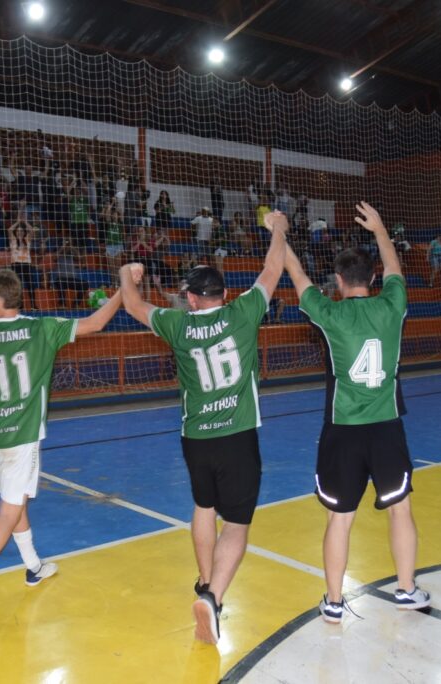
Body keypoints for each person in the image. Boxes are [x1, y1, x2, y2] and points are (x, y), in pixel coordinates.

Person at [117, 210, 289, 645]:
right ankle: (213, 597)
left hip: (196, 438)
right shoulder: (245, 312)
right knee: (237, 524)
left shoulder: (177, 325)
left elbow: (134, 305)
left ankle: (203, 579)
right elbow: (273, 268)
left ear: (191, 300)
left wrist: (127, 273)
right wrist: (279, 229)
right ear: (225, 294)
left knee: (203, 507)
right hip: (238, 435)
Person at [0, 269, 129, 621]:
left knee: (17, 503)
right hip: (22, 438)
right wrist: (124, 289)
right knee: (8, 514)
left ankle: (33, 567)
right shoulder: (43, 328)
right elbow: (96, 323)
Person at [283, 201, 430, 625]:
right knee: (401, 509)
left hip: (342, 430)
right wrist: (382, 230)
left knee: (339, 518)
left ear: (339, 281)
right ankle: (406, 590)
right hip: (386, 427)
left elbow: (298, 277)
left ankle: (333, 602)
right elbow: (396, 270)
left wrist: (282, 240)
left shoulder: (328, 313)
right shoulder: (392, 306)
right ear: (373, 279)